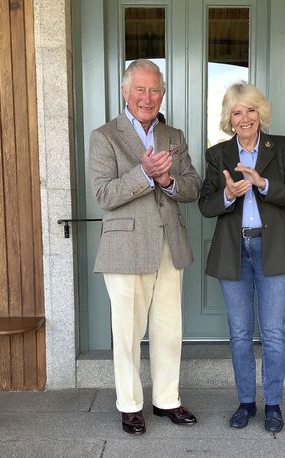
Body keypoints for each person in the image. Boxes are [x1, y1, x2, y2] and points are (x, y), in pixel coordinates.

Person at [89, 59, 201, 435]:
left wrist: (168, 178)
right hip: (125, 248)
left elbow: (192, 187)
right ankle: (130, 405)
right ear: (125, 91)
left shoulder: (174, 136)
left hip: (170, 244)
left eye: (154, 90)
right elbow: (103, 194)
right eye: (140, 89)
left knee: (169, 329)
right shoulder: (105, 135)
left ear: (163, 94)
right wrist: (144, 174)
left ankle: (167, 400)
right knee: (127, 332)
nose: (147, 97)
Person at [198, 82, 285, 433]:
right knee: (240, 334)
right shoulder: (218, 155)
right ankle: (246, 402)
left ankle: (273, 404)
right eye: (237, 112)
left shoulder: (282, 147)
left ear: (261, 113)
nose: (244, 118)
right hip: (235, 251)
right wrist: (227, 195)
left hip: (272, 249)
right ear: (230, 118)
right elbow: (205, 205)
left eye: (250, 110)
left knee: (273, 334)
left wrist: (263, 184)